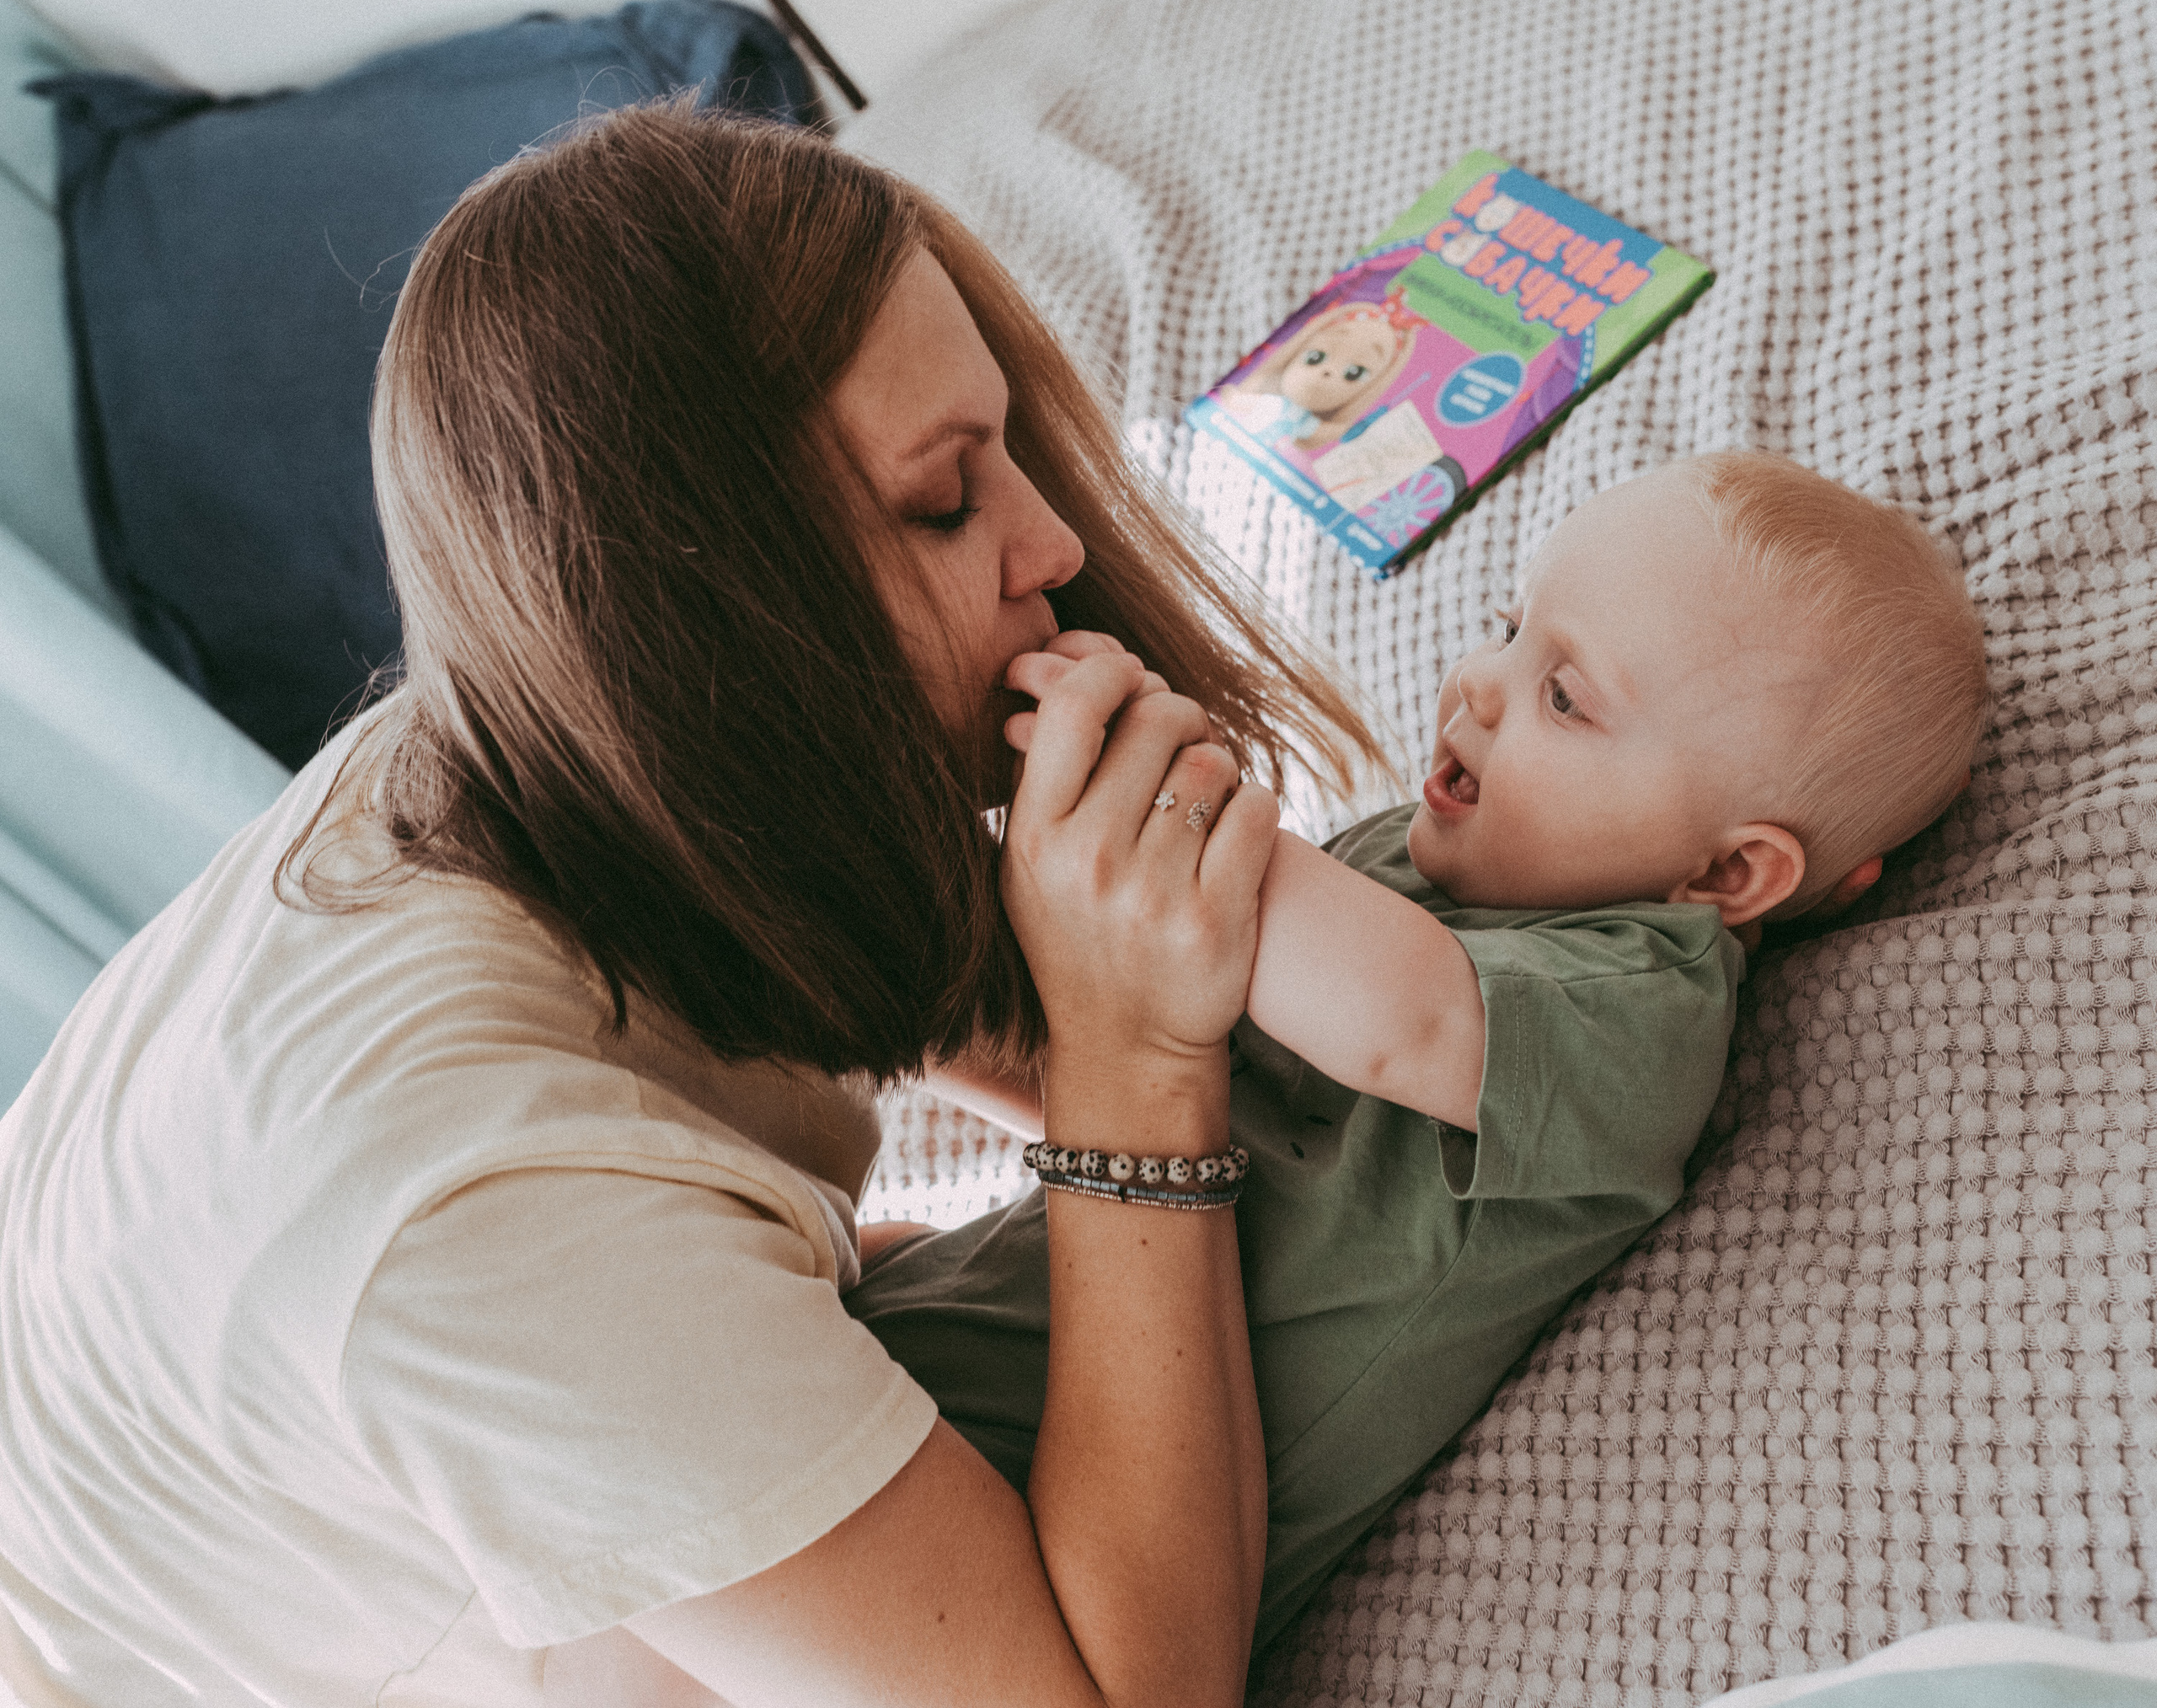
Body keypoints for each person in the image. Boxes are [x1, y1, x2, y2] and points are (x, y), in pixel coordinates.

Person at [0, 103, 1387, 1708]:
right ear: (716, 628)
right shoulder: (488, 1213)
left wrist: (1202, 1024)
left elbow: (894, 974)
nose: (1055, 542)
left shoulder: (556, 730)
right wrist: (1137, 1080)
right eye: (948, 502)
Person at [844, 448, 1991, 1649]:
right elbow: (1143, 1041)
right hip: (987, 1317)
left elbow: (1400, 1022)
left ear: (1725, 872)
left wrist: (1159, 791)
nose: (1479, 687)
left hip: (1066, 1513)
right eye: (1509, 628)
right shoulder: (1416, 852)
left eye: (1565, 697)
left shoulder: (1643, 1007)